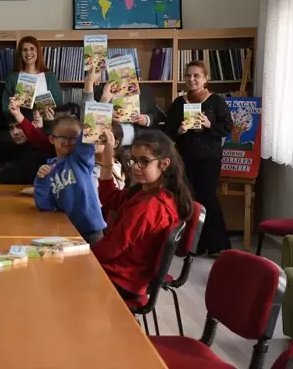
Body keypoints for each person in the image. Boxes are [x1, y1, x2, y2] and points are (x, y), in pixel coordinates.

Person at [92, 129, 193, 299]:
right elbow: (109, 197)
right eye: (133, 160)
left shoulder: (147, 207)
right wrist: (108, 154)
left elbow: (110, 250)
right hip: (128, 275)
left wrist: (79, 253)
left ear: (164, 164)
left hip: (122, 279)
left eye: (144, 161)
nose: (135, 167)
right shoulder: (150, 192)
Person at [163, 60, 232, 257]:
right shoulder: (179, 103)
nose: (191, 79)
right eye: (188, 76)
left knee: (208, 199)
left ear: (205, 79)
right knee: (187, 201)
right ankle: (194, 246)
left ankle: (219, 245)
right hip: (184, 159)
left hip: (209, 159)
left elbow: (228, 128)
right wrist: (179, 130)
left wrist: (210, 124)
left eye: (196, 76)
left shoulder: (216, 101)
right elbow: (167, 132)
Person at [32, 73, 107, 243]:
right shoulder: (49, 167)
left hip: (91, 230)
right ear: (52, 139)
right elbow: (44, 205)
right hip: (65, 230)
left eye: (73, 138)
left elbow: (91, 124)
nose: (67, 142)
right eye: (62, 137)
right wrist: (41, 180)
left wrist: (88, 85)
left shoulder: (80, 158)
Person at [2, 36, 63, 122]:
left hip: (46, 126)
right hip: (20, 127)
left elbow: (59, 104)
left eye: (32, 49)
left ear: (38, 52)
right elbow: (5, 108)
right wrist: (13, 106)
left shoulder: (49, 76)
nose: (28, 53)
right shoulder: (12, 78)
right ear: (20, 54)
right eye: (25, 50)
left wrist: (50, 111)